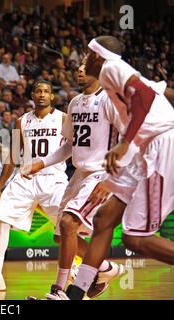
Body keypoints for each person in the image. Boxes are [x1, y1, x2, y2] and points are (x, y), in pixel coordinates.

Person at [57, 36, 174, 300]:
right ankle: (74, 295)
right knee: (104, 219)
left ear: (98, 56)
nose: (83, 61)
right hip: (142, 147)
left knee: (135, 239)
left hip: (159, 144)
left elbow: (143, 99)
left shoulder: (110, 68)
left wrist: (124, 144)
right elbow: (158, 92)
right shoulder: (117, 79)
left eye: (87, 55)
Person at [22, 60, 136, 300]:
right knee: (61, 236)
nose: (80, 70)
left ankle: (59, 292)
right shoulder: (74, 103)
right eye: (79, 67)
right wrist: (40, 164)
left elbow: (131, 141)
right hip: (79, 174)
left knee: (68, 224)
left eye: (86, 66)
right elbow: (69, 146)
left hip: (101, 173)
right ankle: (105, 269)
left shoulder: (110, 100)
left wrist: (111, 180)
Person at [0, 80, 69, 292]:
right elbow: (13, 155)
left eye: (46, 91)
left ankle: (74, 268)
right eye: (38, 91)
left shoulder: (63, 118)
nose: (42, 94)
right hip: (26, 177)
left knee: (67, 226)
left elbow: (73, 147)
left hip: (53, 177)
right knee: (2, 218)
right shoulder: (22, 121)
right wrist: (0, 186)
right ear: (32, 95)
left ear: (52, 97)